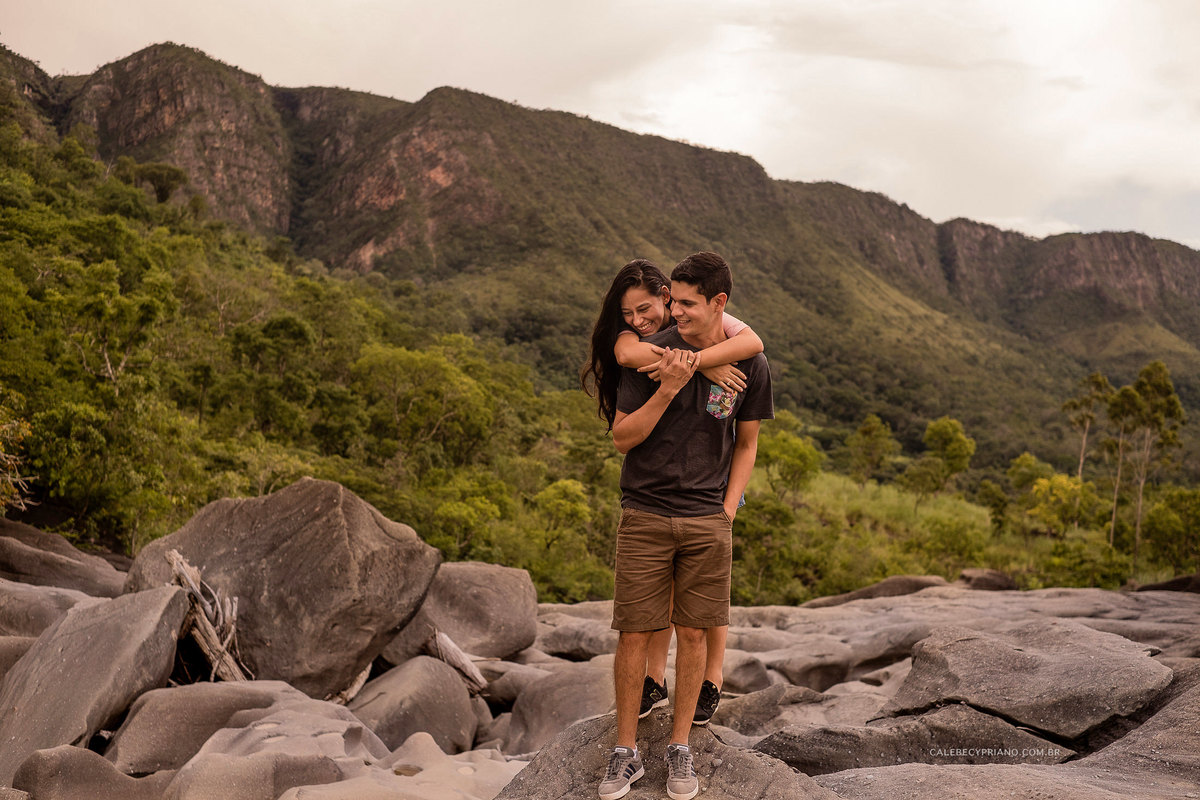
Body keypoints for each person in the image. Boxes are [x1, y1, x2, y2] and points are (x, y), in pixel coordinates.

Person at [594, 252, 773, 800]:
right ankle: (625, 753)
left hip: (706, 516)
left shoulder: (749, 364)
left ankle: (680, 749)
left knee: (694, 632)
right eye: (670, 300)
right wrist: (672, 383)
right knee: (635, 632)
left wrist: (728, 508)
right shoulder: (652, 353)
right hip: (644, 509)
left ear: (719, 302)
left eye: (685, 302)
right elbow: (623, 439)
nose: (673, 310)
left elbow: (746, 445)